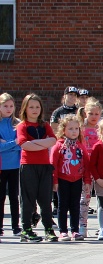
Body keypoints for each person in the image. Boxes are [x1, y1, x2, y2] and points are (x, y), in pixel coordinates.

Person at [16, 94, 57, 242]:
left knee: (45, 200)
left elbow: (53, 140)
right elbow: (24, 144)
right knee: (28, 199)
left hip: (44, 166)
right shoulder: (22, 126)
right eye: (31, 107)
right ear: (25, 109)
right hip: (28, 166)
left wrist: (35, 143)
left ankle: (48, 228)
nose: (35, 110)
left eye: (37, 107)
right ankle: (26, 229)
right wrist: (43, 143)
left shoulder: (45, 125)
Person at [51, 115, 89, 241]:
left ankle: (75, 230)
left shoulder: (80, 146)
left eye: (76, 128)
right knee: (62, 205)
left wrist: (87, 180)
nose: (74, 131)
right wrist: (54, 180)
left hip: (77, 179)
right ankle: (63, 231)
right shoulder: (59, 145)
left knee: (75, 205)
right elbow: (53, 164)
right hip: (63, 179)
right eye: (70, 128)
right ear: (63, 130)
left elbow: (86, 163)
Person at [77, 98, 102, 237]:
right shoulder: (81, 128)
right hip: (85, 167)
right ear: (85, 113)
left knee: (102, 197)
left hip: (100, 167)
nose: (94, 116)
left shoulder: (102, 127)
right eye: (91, 113)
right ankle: (82, 226)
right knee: (85, 197)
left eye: (96, 114)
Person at [0, 93, 21, 238]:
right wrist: (14, 143)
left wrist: (7, 144)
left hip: (15, 166)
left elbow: (23, 144)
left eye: (11, 106)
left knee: (14, 197)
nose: (9, 109)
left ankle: (16, 226)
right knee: (1, 197)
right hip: (2, 166)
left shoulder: (17, 124)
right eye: (5, 106)